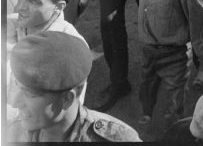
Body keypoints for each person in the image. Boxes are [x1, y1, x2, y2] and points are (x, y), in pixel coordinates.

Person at [7, 32, 140, 142]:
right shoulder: (14, 131)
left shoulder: (117, 139)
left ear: (67, 99)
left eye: (29, 94)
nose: (14, 102)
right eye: (17, 87)